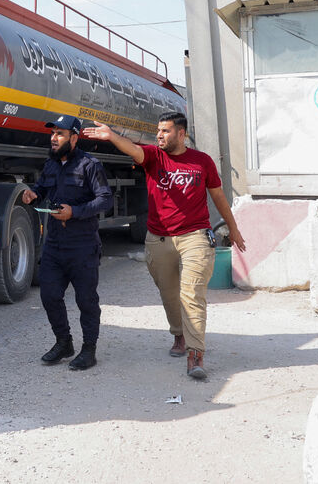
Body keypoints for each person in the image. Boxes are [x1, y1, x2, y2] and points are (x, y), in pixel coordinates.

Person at [81, 112, 246, 380]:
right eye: (158, 130)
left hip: (195, 235)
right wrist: (111, 136)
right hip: (158, 237)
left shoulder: (202, 161)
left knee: (191, 294)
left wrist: (234, 229)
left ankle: (195, 353)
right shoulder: (153, 157)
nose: (159, 135)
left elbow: (218, 196)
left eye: (165, 131)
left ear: (181, 134)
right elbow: (133, 149)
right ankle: (179, 334)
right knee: (169, 294)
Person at [22, 115, 114, 371]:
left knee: (86, 300)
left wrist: (74, 211)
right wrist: (33, 194)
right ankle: (64, 342)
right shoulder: (50, 165)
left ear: (74, 138)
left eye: (60, 134)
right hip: (54, 245)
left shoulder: (90, 165)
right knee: (49, 295)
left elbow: (105, 200)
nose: (54, 138)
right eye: (53, 134)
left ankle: (89, 350)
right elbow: (41, 188)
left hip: (82, 245)